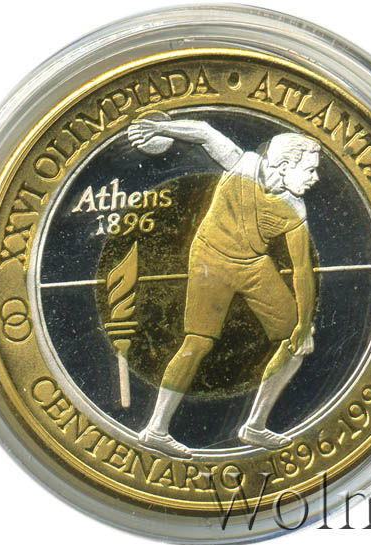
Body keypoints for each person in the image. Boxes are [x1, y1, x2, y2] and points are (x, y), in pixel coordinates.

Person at [127, 117, 319, 458]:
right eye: (310, 169)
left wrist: (303, 326)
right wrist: (160, 129)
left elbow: (302, 271)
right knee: (197, 343)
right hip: (210, 260)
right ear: (285, 165)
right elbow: (203, 131)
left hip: (253, 265)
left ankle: (254, 426)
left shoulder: (295, 208)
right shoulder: (242, 164)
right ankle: (155, 430)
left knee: (297, 342)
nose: (315, 178)